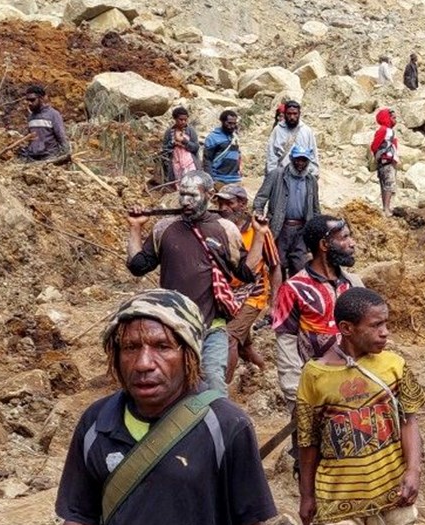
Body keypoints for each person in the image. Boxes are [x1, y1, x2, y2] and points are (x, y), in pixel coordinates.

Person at [51, 288, 283, 525]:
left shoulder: (224, 425)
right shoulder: (95, 425)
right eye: (130, 348)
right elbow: (82, 517)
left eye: (162, 347)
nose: (144, 363)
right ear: (115, 356)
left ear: (189, 355)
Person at [296, 287, 425, 525]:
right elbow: (308, 441)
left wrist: (413, 470)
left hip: (391, 496)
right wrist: (307, 495)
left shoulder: (394, 365)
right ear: (347, 328)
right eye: (376, 325)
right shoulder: (315, 375)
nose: (385, 332)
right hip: (336, 501)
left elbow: (409, 420)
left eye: (386, 324)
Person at [126, 171, 262, 394]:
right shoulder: (164, 228)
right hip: (173, 328)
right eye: (183, 195)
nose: (186, 201)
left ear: (209, 195)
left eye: (193, 195)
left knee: (214, 383)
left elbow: (246, 272)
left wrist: (259, 234)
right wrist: (135, 227)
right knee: (175, 387)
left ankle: (217, 427)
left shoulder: (225, 229)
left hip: (212, 326)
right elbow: (137, 266)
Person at [270, 215, 363, 465]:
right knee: (311, 460)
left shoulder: (354, 284)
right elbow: (286, 342)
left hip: (355, 388)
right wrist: (295, 395)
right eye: (344, 238)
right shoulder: (294, 289)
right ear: (324, 245)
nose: (352, 243)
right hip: (314, 391)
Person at [215, 184, 279, 382]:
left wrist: (274, 303)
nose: (223, 208)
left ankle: (221, 392)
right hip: (226, 295)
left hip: (253, 294)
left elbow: (275, 266)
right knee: (244, 346)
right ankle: (264, 372)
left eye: (229, 203)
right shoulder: (217, 227)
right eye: (220, 203)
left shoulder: (258, 230)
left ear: (242, 204)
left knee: (229, 338)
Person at [253, 146, 320, 278]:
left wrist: (317, 228)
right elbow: (260, 198)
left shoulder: (311, 180)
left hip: (302, 229)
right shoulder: (276, 175)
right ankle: (279, 296)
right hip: (280, 227)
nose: (300, 164)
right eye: (297, 160)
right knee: (278, 264)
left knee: (300, 264)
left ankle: (295, 294)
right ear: (291, 159)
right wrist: (258, 214)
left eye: (304, 160)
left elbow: (315, 207)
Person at [18, 84, 69, 162]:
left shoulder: (53, 115)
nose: (29, 103)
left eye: (32, 100)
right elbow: (31, 139)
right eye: (27, 100)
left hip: (49, 158)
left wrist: (65, 155)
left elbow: (61, 136)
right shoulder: (31, 117)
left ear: (41, 99)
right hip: (33, 158)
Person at [265, 101, 318, 175]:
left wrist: (313, 175)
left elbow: (313, 155)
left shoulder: (307, 131)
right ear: (285, 114)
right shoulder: (277, 130)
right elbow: (271, 155)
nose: (292, 117)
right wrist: (272, 175)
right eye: (289, 114)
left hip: (302, 176)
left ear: (299, 114)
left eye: (295, 114)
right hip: (281, 175)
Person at [370, 108, 400, 216]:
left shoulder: (389, 131)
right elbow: (374, 145)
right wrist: (381, 155)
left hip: (386, 161)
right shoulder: (384, 130)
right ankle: (386, 209)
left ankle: (385, 208)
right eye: (393, 118)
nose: (395, 120)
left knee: (385, 185)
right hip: (385, 161)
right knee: (389, 184)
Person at [160, 107, 200, 188]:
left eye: (185, 120)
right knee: (178, 184)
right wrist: (173, 143)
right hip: (175, 162)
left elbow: (196, 147)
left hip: (189, 161)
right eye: (180, 119)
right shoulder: (169, 132)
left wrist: (185, 141)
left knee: (192, 183)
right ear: (175, 119)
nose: (183, 122)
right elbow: (164, 150)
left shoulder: (190, 131)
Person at [202, 110, 242, 185]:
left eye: (234, 123)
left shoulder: (235, 137)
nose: (232, 126)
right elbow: (207, 160)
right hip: (219, 179)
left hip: (235, 179)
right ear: (222, 122)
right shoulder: (213, 138)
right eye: (229, 123)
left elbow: (238, 155)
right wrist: (210, 180)